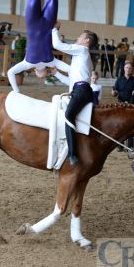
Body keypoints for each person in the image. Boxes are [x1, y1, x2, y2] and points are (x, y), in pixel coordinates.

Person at [7, 0, 70, 92]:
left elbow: (10, 72)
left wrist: (16, 91)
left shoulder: (28, 63)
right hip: (48, 23)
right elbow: (71, 69)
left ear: (34, 72)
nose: (40, 74)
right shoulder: (51, 62)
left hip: (34, 22)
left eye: (39, 75)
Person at [52, 22, 98, 165]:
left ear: (87, 41)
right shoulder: (83, 58)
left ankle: (72, 155)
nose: (77, 38)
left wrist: (54, 30)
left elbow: (58, 46)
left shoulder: (82, 50)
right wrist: (56, 74)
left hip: (81, 90)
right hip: (81, 90)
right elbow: (71, 82)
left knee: (68, 115)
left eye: (80, 37)